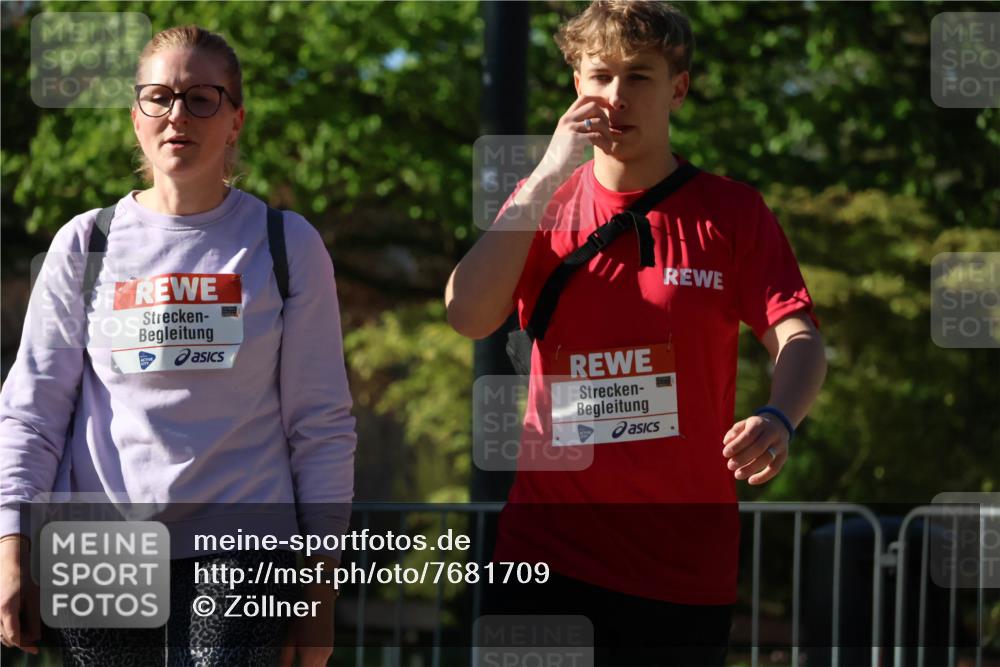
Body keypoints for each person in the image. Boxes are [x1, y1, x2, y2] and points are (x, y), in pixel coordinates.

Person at [446, 2, 826, 665]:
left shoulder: (731, 212)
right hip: (546, 558)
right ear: (576, 84)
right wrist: (544, 175)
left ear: (677, 87)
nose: (616, 96)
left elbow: (799, 336)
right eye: (601, 75)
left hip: (681, 572)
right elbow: (468, 313)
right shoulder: (540, 203)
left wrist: (780, 415)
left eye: (640, 77)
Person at [0, 26, 356, 666]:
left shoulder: (286, 244)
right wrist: (11, 552)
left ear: (236, 120)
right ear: (136, 116)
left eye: (202, 98)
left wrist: (319, 591)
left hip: (244, 543)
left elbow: (321, 423)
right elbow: (31, 411)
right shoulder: (85, 245)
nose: (177, 116)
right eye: (158, 97)